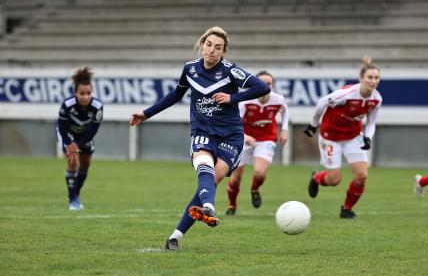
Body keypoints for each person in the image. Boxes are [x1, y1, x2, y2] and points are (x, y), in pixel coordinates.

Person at [129, 26, 270, 250]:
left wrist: (233, 97)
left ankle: (174, 237)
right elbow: (176, 94)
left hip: (231, 135)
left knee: (212, 180)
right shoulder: (190, 69)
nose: (212, 50)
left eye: (218, 47)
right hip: (203, 132)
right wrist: (147, 113)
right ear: (202, 44)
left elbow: (261, 87)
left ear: (223, 52)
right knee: (205, 167)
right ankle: (208, 207)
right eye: (209, 44)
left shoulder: (230, 70)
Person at [303, 56, 382, 219]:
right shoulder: (347, 94)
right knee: (334, 179)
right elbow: (322, 102)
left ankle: (346, 209)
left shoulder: (376, 99)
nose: (373, 81)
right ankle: (316, 177)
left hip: (353, 136)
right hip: (330, 137)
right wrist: (313, 124)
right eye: (370, 77)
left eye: (376, 78)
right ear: (361, 78)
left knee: (362, 175)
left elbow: (372, 122)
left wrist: (368, 137)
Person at [225, 70, 289, 215]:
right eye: (261, 83)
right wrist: (244, 136)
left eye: (268, 83)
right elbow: (235, 122)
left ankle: (254, 189)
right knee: (235, 178)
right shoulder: (246, 101)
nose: (265, 86)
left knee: (260, 173)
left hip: (266, 137)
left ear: (272, 85)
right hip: (244, 137)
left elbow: (285, 112)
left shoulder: (278, 99)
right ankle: (232, 205)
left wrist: (285, 130)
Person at [57, 67, 103, 211]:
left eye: (88, 93)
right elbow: (61, 125)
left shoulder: (98, 107)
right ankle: (72, 201)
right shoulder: (67, 105)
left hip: (84, 136)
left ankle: (75, 193)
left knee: (85, 164)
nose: (85, 96)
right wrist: (70, 144)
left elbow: (93, 129)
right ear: (76, 93)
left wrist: (79, 145)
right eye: (81, 93)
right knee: (72, 161)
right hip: (68, 134)